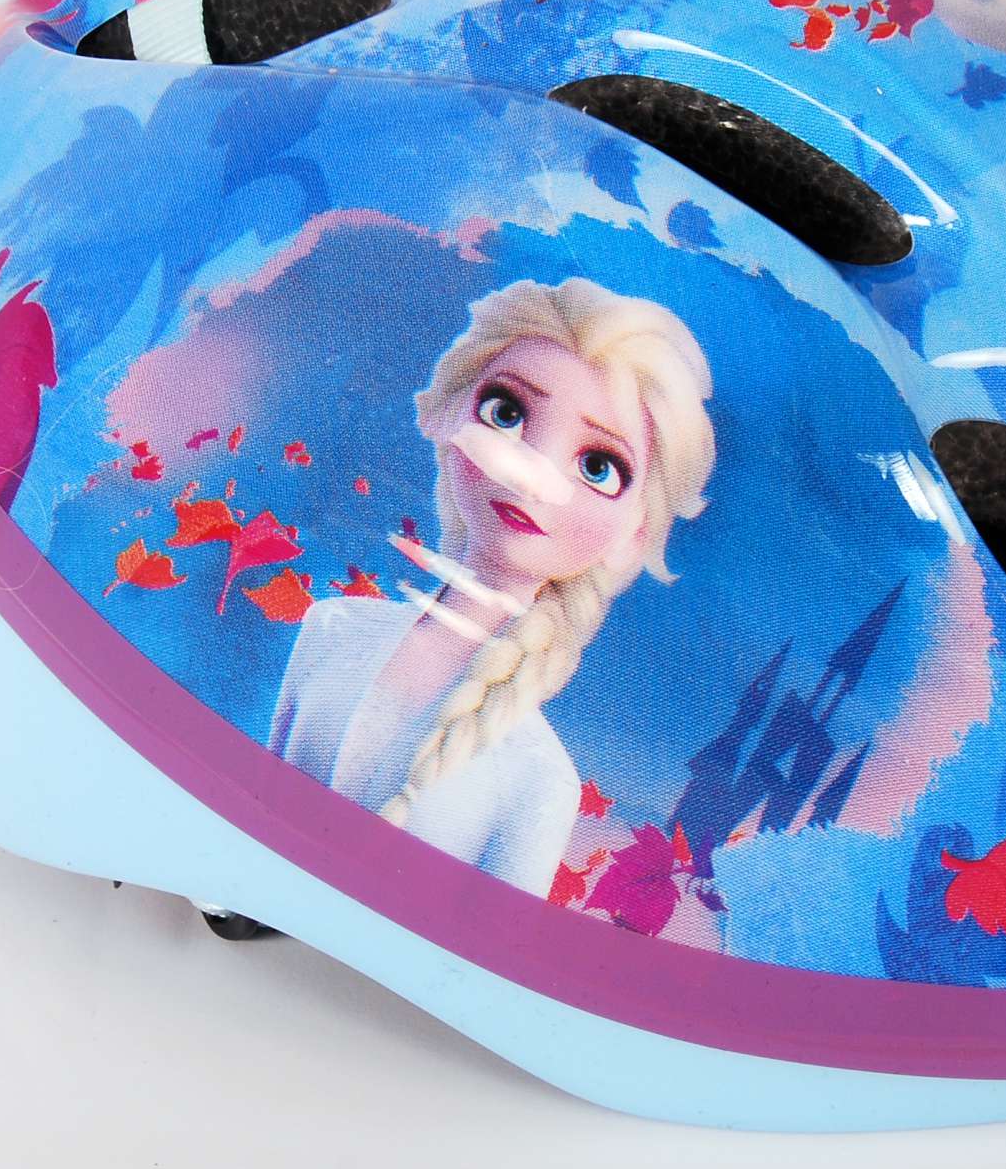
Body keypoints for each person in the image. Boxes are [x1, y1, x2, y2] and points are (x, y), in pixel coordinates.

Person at [268, 277, 717, 896]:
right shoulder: (332, 627)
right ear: (447, 411)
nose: (531, 474)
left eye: (598, 466)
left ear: (634, 534)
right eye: (506, 412)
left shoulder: (540, 779)